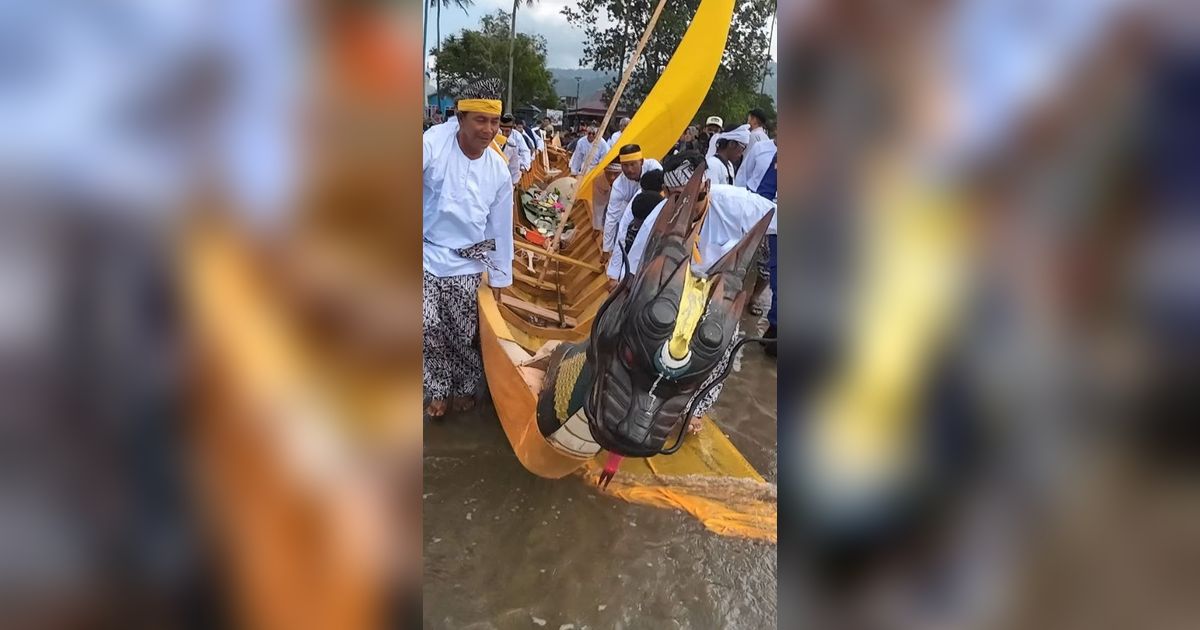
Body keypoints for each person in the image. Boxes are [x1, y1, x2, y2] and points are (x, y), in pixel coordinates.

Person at [606, 152, 776, 432]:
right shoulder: (663, 213)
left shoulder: (737, 203)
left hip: (716, 289)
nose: (685, 205)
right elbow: (632, 270)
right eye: (676, 197)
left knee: (723, 345)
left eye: (691, 197)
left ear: (705, 188)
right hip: (675, 287)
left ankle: (696, 410)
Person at [422, 79, 514, 417]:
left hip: (469, 260)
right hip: (426, 253)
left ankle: (463, 386)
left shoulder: (499, 170)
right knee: (424, 325)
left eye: (494, 121)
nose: (489, 130)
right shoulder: (433, 144)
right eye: (480, 120)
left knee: (461, 335)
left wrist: (501, 280)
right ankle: (438, 388)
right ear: (459, 119)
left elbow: (501, 229)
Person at [602, 144, 663, 261]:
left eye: (633, 164)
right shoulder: (619, 185)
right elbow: (611, 217)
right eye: (625, 165)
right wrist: (606, 249)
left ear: (641, 161)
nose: (629, 170)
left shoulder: (654, 169)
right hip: (634, 216)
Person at [499, 114, 531, 185]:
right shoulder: (494, 136)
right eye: (502, 131)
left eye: (507, 131)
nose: (504, 134)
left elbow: (524, 152)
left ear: (512, 128)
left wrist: (524, 166)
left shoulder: (515, 138)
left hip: (511, 171)